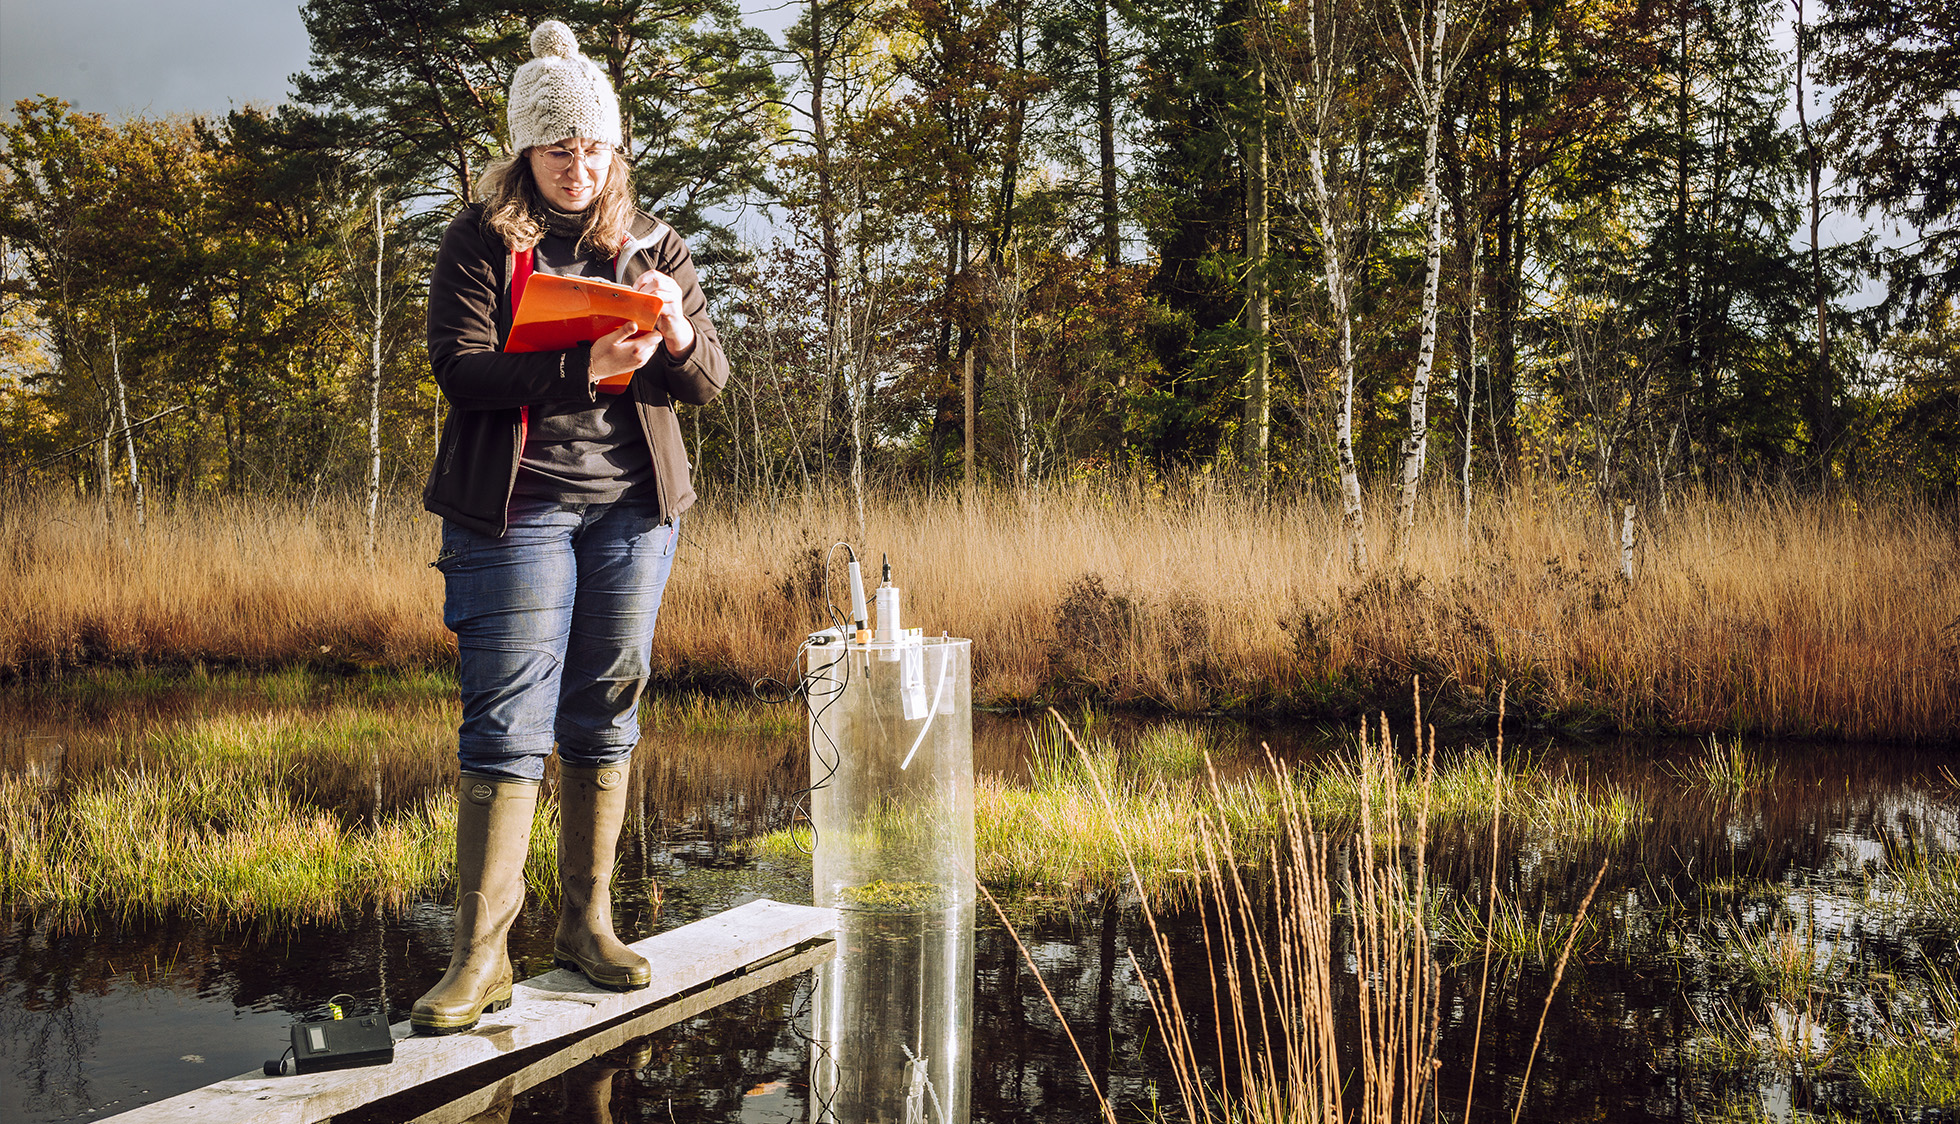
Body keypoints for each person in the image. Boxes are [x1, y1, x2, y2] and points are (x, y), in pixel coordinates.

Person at [411, 19, 728, 1036]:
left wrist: (674, 328)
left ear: (613, 149)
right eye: (558, 148)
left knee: (606, 708)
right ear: (527, 151)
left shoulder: (654, 245)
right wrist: (570, 369)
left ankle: (586, 927)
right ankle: (481, 957)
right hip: (517, 510)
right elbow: (458, 367)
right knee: (507, 721)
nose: (578, 165)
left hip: (635, 513)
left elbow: (707, 380)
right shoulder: (479, 239)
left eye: (594, 147)